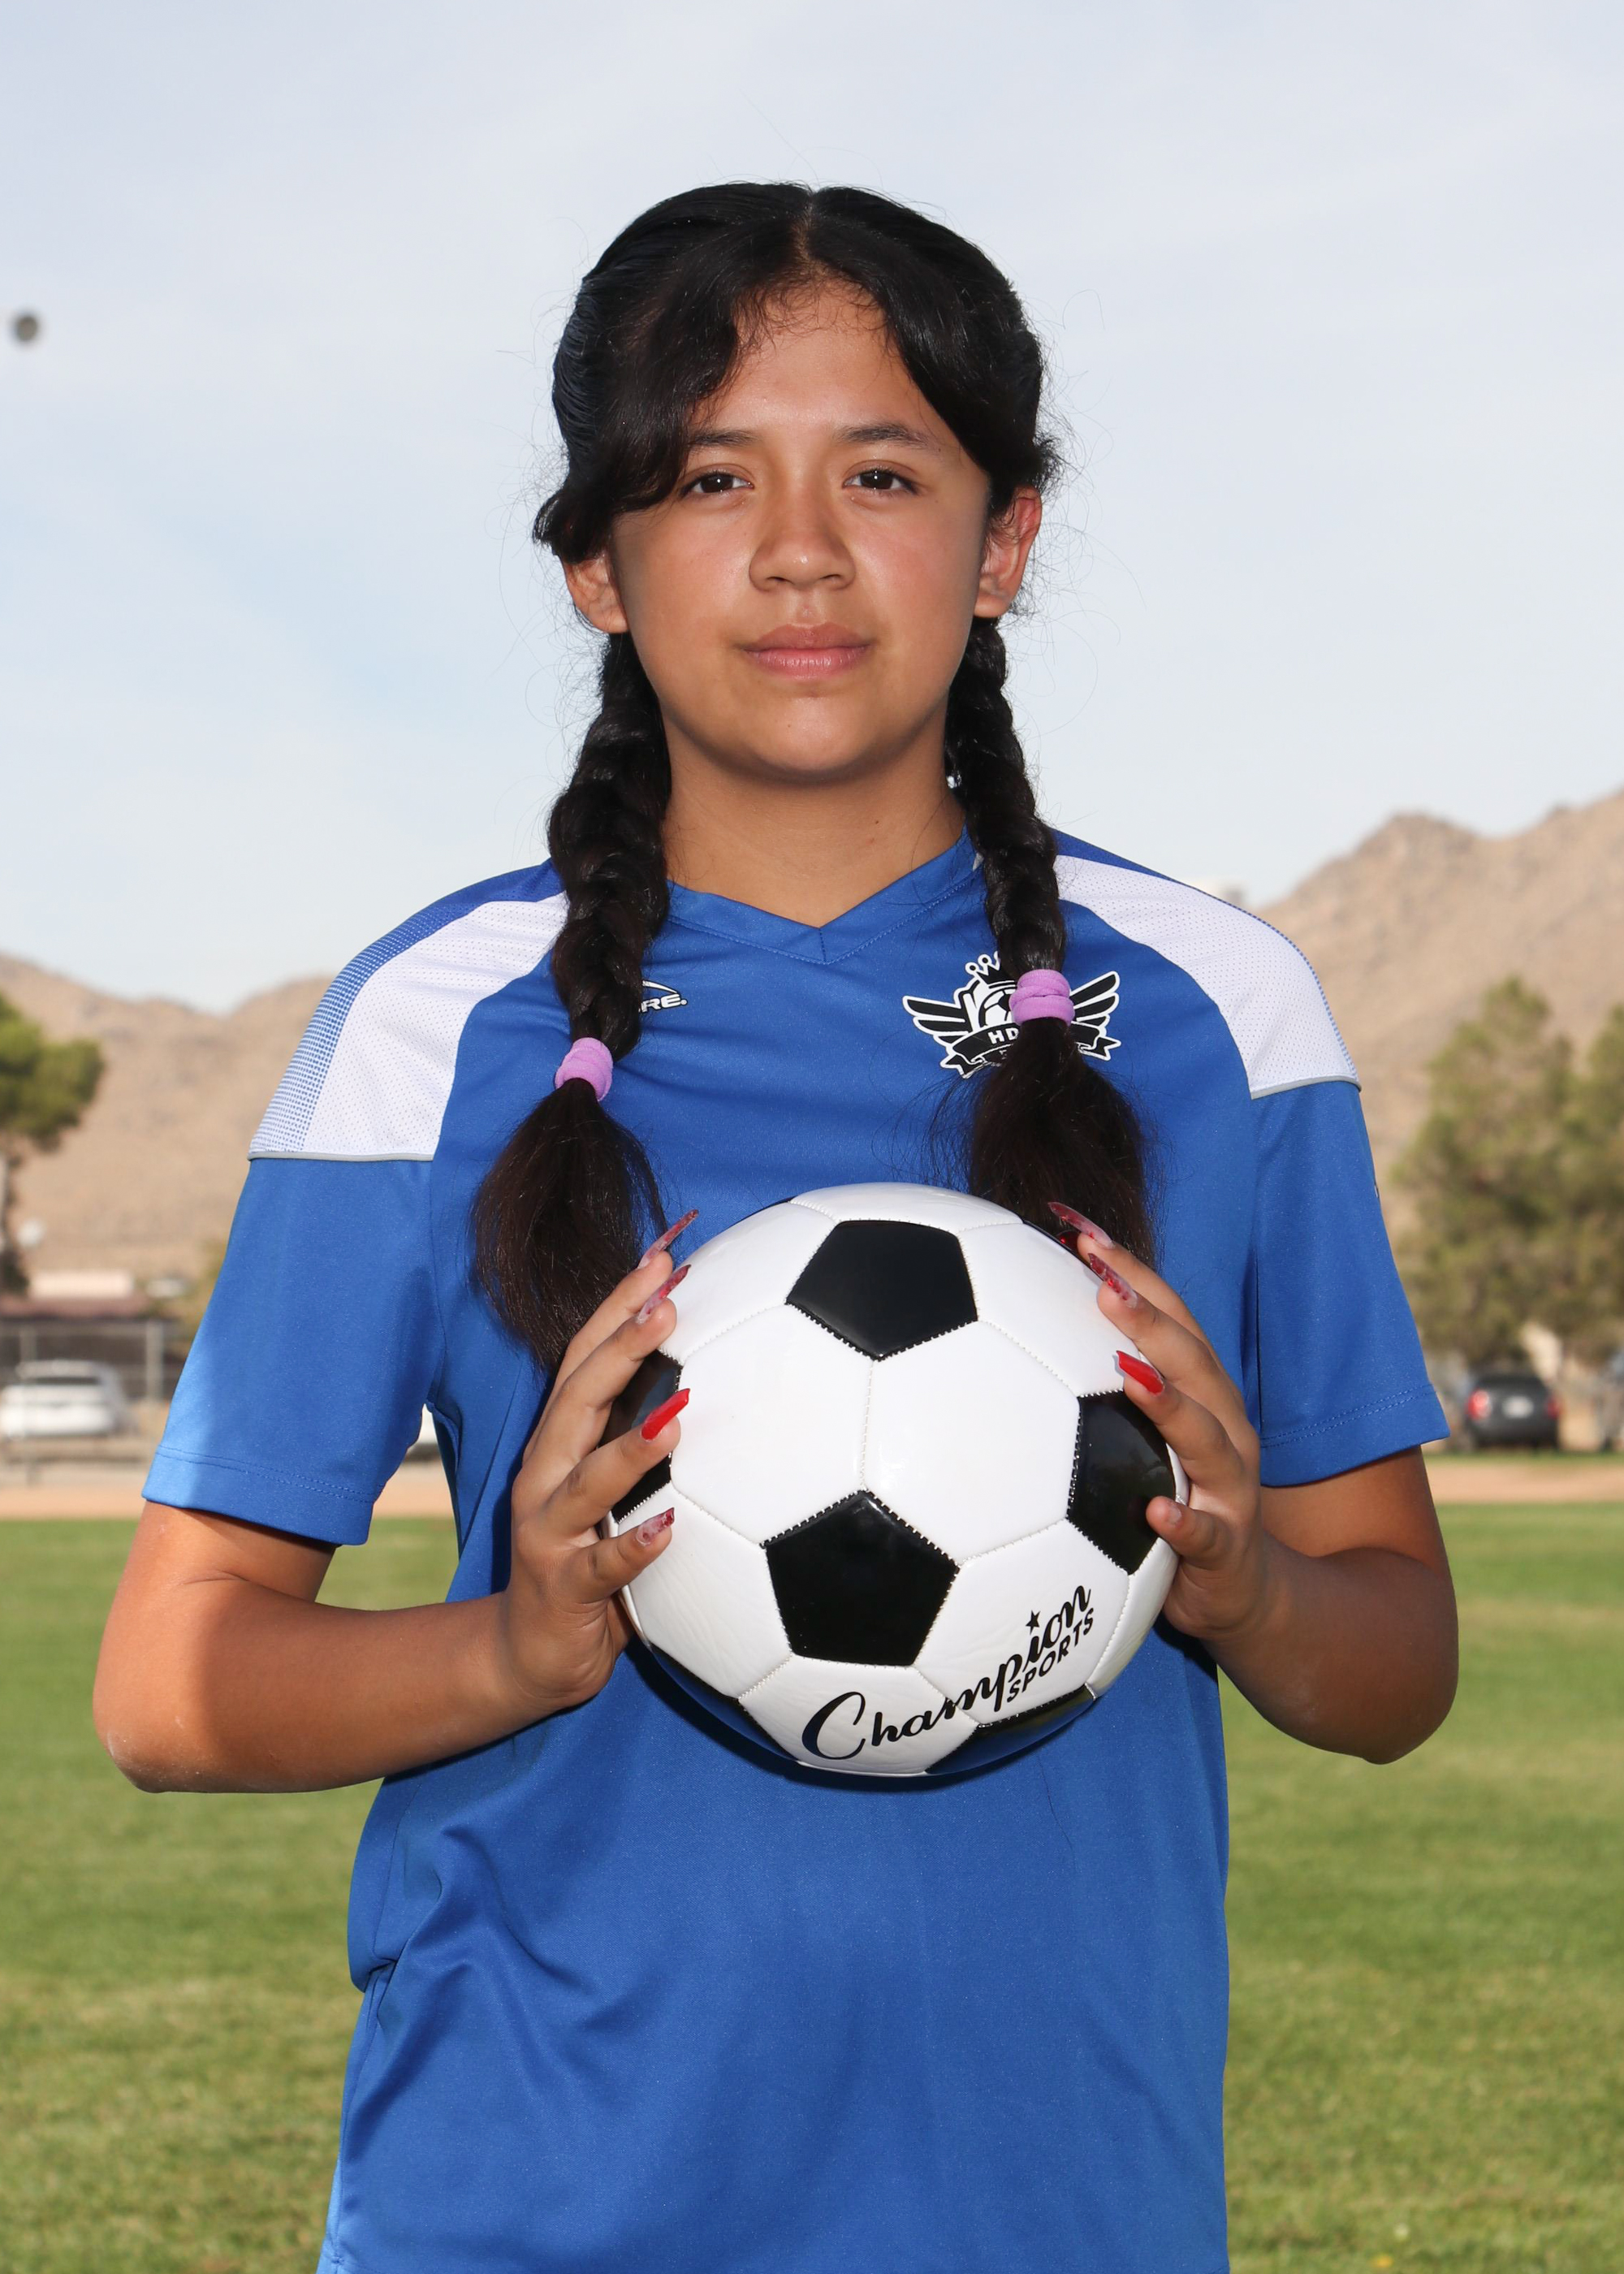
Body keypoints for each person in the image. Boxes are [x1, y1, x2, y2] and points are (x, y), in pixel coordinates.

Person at [94, 184, 1457, 2274]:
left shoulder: (1218, 1012)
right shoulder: (431, 1028)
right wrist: (506, 1646)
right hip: (523, 2205)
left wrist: (1246, 1582)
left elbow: (1396, 1658)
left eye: (882, 474)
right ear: (595, 563)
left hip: (1053, 2212)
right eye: (712, 475)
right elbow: (168, 1685)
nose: (800, 548)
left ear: (1002, 542)